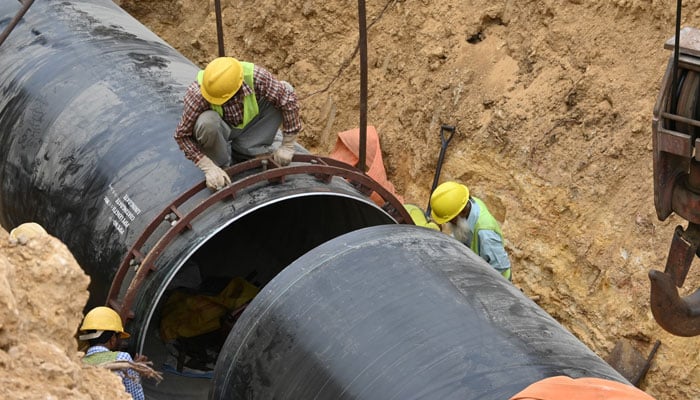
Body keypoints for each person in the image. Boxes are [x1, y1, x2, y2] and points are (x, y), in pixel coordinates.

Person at [174, 56, 302, 191]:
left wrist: (288, 145)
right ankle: (222, 165)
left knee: (285, 90)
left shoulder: (255, 77)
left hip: (249, 125)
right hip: (222, 132)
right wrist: (207, 166)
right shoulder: (197, 94)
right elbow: (182, 136)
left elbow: (288, 102)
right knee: (207, 122)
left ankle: (247, 149)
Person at [429, 181, 512, 280]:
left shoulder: (486, 233)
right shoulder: (468, 204)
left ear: (462, 213)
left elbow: (500, 266)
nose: (448, 223)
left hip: (497, 281)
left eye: (450, 220)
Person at [79, 306, 146, 400]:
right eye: (119, 337)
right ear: (113, 339)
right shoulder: (122, 358)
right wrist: (134, 370)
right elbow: (137, 397)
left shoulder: (78, 363)